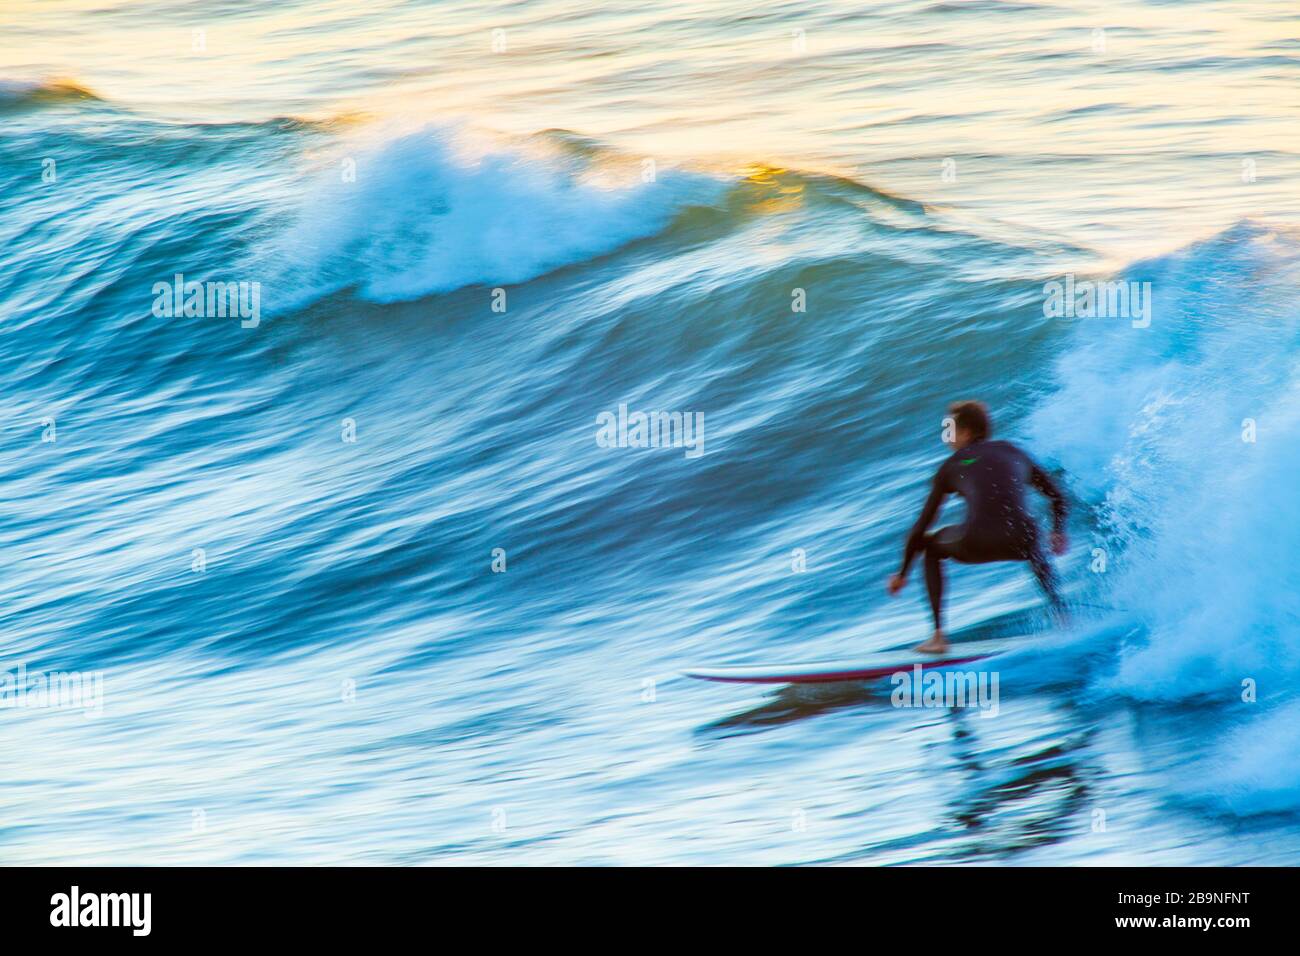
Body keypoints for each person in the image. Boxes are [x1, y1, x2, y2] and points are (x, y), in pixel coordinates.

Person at [887, 401, 1068, 654]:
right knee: (1031, 533)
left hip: (977, 541)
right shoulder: (1014, 452)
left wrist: (902, 574)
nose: (946, 436)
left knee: (930, 545)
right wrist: (1058, 531)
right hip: (1019, 541)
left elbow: (921, 526)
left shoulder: (951, 466)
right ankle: (1063, 616)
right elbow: (1057, 496)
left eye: (949, 428)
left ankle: (938, 636)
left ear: (966, 432)